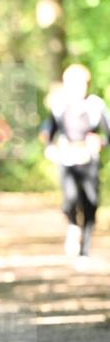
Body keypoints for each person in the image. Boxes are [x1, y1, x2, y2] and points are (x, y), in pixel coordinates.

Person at [41, 63, 109, 266]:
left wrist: (100, 142)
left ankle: (84, 251)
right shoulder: (59, 106)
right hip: (67, 157)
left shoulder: (95, 106)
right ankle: (72, 225)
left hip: (89, 159)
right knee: (70, 199)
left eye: (80, 84)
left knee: (90, 202)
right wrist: (49, 146)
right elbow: (49, 133)